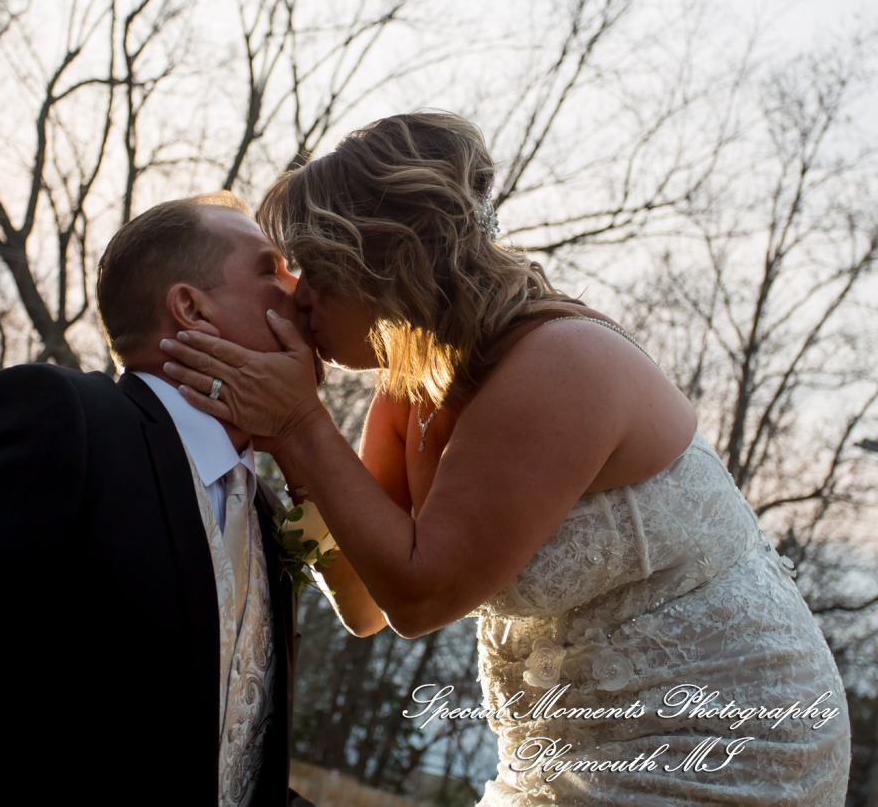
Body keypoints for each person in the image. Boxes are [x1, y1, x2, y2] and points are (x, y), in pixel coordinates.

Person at [160, 113, 852, 805]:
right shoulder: (408, 393)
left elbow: (419, 594)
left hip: (731, 747)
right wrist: (287, 436)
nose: (299, 293)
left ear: (383, 262)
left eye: (319, 268)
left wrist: (300, 425)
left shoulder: (561, 363)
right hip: (567, 755)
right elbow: (365, 602)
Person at [0, 192, 313, 805]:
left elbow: (235, 763)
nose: (299, 288)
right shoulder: (55, 416)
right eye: (269, 270)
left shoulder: (264, 513)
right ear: (190, 309)